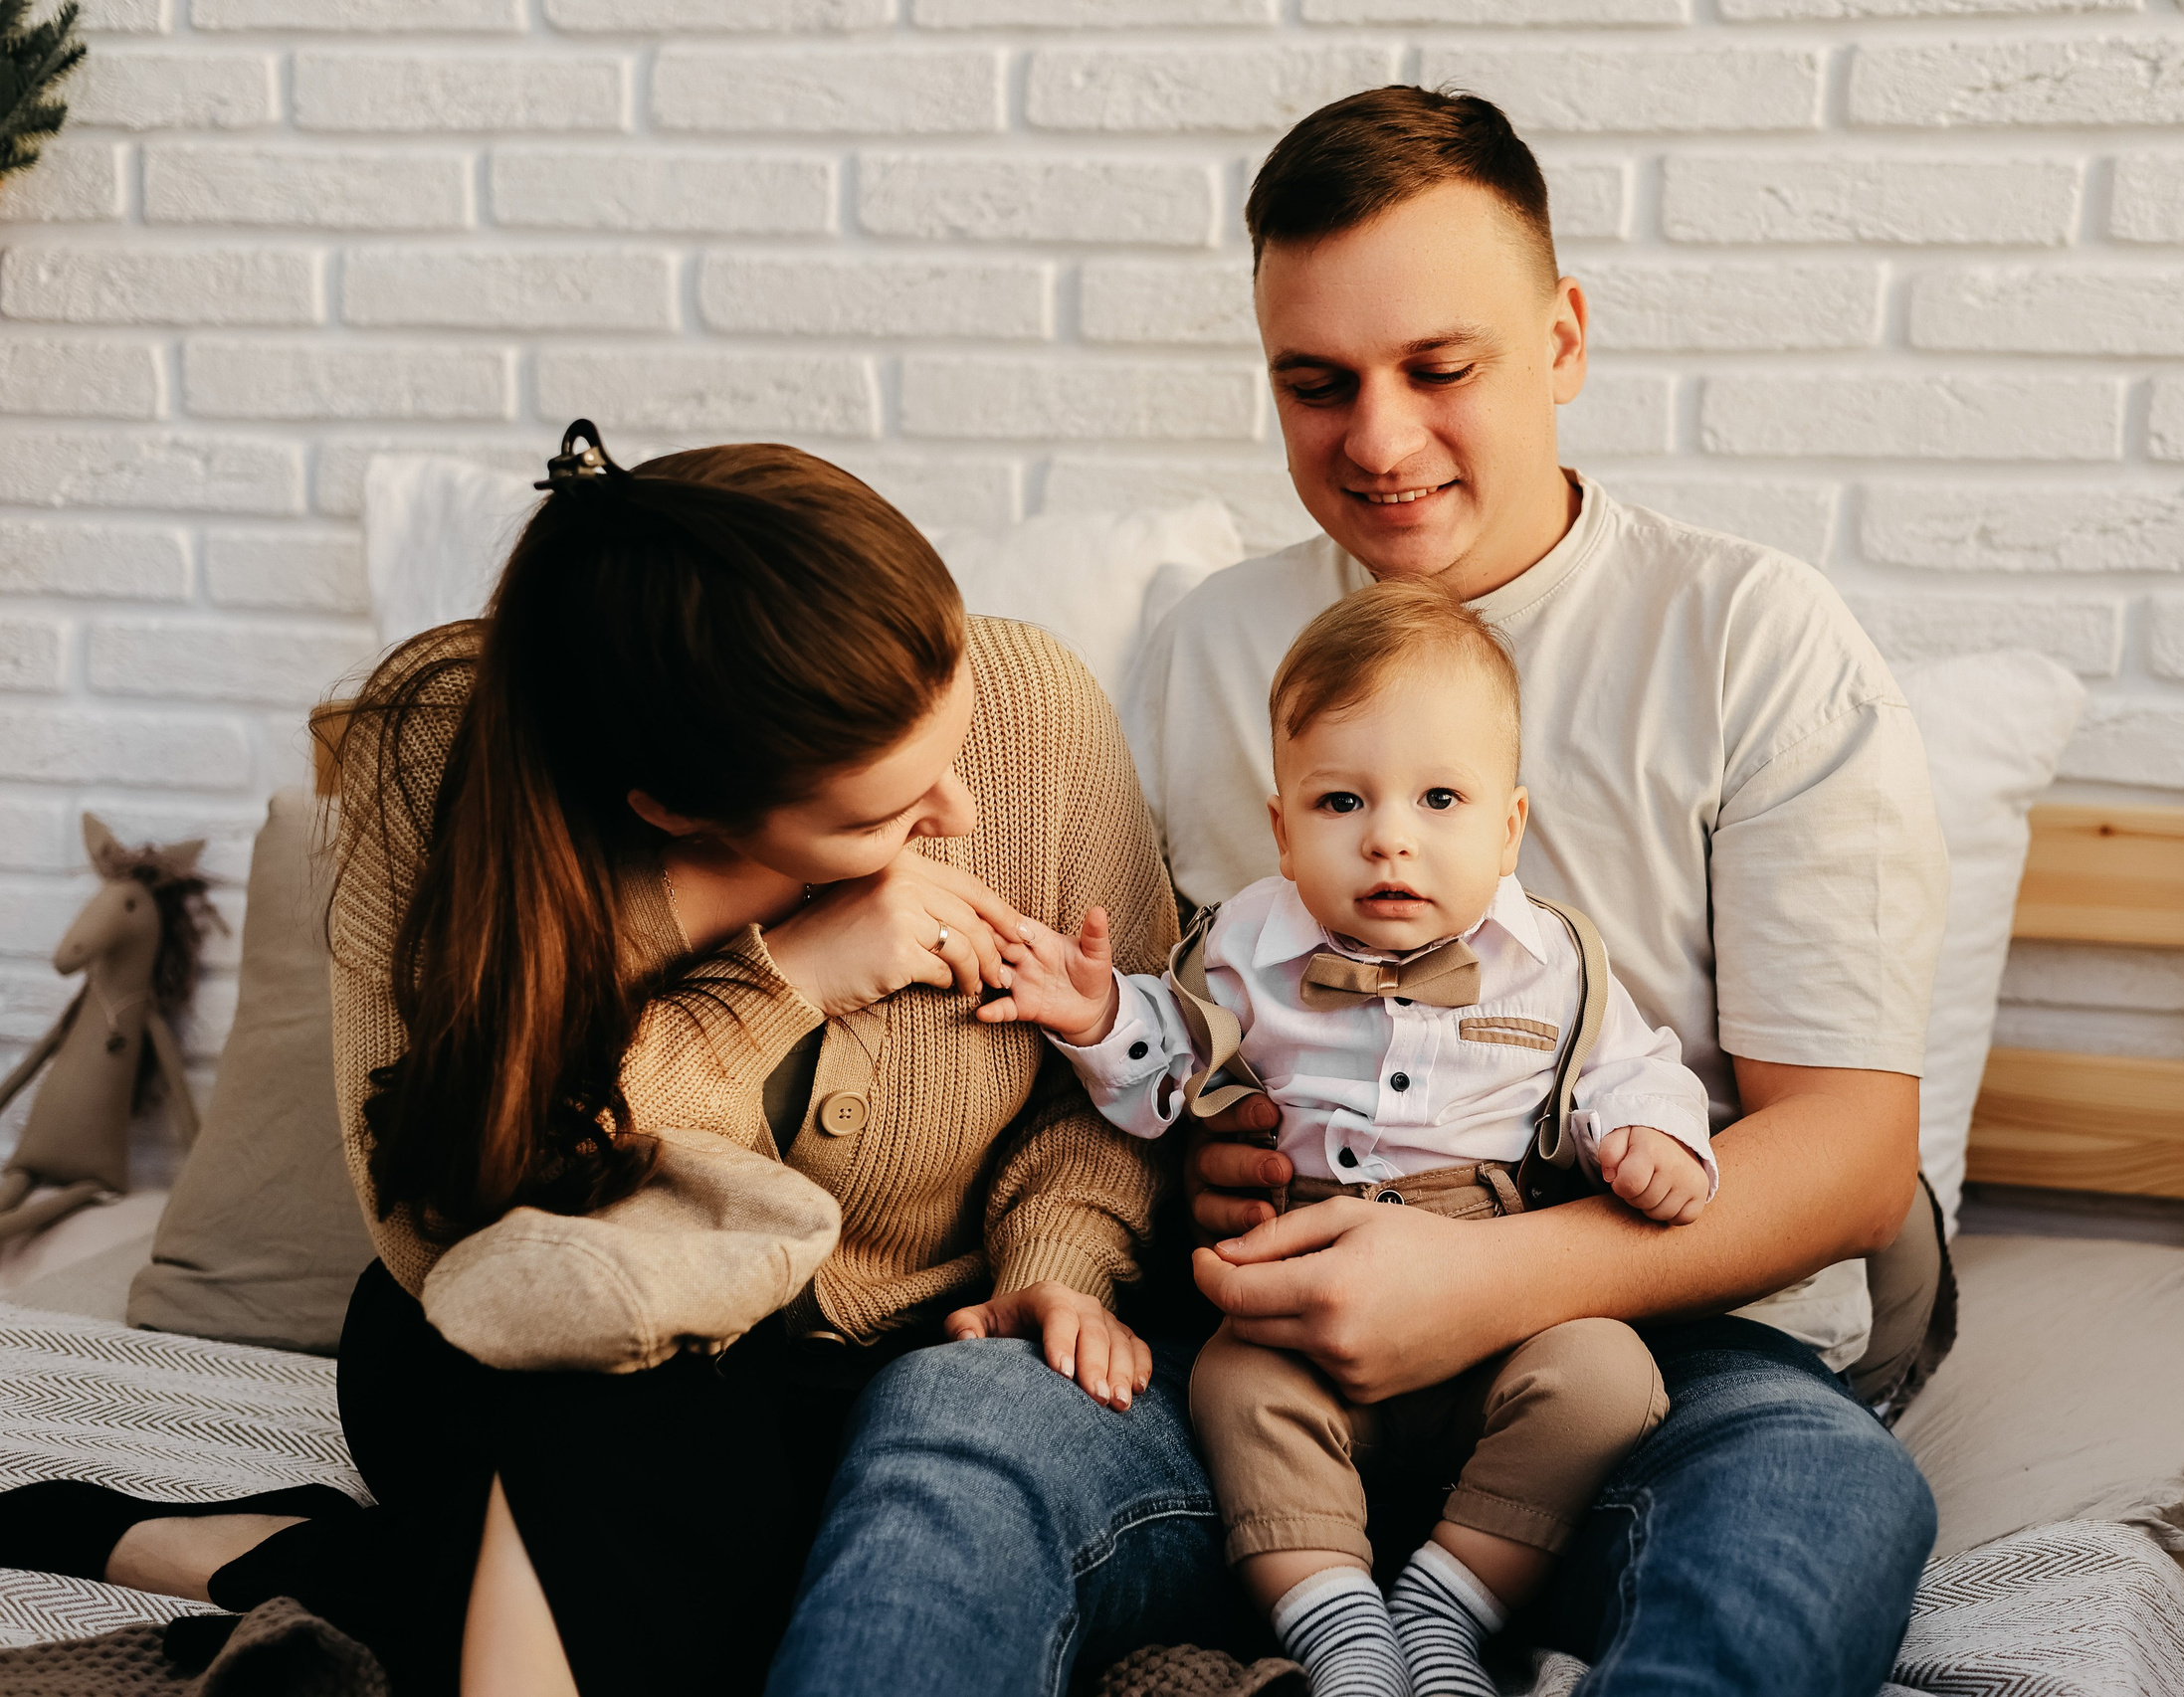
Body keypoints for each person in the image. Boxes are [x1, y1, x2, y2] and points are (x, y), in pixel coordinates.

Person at [771, 86, 1950, 1697]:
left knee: (1830, 1492)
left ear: (1564, 341)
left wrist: (1487, 1277)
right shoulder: (1211, 647)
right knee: (950, 1419)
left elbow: (1853, 1154)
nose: (1378, 440)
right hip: (1272, 1350)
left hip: (1649, 1359)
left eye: (1438, 370)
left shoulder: (1747, 637)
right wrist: (1204, 1164)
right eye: (1316, 385)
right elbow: (1176, 1045)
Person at [0, 431, 1178, 1697]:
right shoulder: (439, 763)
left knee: (811, 1546)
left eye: (952, 740)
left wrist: (1061, 1270)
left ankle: (286, 1554)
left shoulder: (1036, 711)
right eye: (879, 812)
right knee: (642, 1424)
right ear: (671, 805)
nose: (955, 810)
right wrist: (767, 964)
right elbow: (454, 1206)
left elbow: (1107, 1089)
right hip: (516, 1325)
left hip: (896, 1346)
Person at [987, 581, 1715, 1697]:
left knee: (1608, 1373)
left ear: (1507, 823)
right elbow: (1166, 1078)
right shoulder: (1237, 948)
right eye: (1339, 802)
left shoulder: (1555, 960)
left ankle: (1444, 1604)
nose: (1388, 838)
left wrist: (1649, 1139)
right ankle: (1342, 1632)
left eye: (1438, 798)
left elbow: (1631, 1071)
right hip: (1298, 1296)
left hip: (1500, 1303)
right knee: (1233, 1387)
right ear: (1281, 825)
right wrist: (1096, 1017)